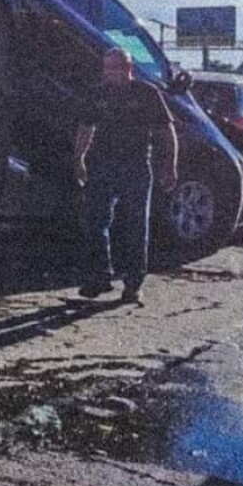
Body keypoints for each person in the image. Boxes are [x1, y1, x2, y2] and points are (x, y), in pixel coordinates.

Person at [73, 47, 178, 305]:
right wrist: (79, 158)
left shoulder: (146, 94)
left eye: (117, 67)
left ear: (128, 68)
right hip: (102, 166)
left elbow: (166, 132)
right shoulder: (98, 93)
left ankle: (133, 284)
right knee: (95, 221)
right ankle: (99, 276)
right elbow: (86, 127)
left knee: (135, 225)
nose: (111, 72)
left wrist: (170, 165)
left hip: (135, 167)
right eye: (107, 67)